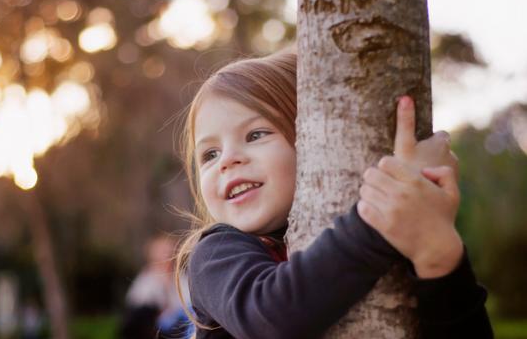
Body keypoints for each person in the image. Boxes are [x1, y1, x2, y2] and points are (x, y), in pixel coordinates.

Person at [173, 48, 493, 338]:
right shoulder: (216, 253)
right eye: (209, 155)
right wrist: (378, 218)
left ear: (315, 141)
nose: (227, 160)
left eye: (256, 134)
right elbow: (271, 318)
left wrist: (441, 260)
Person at [121, 234, 191, 339]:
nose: (166, 257)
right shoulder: (146, 279)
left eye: (169, 253)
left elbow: (188, 302)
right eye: (162, 253)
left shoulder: (181, 278)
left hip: (179, 324)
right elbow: (136, 304)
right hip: (154, 325)